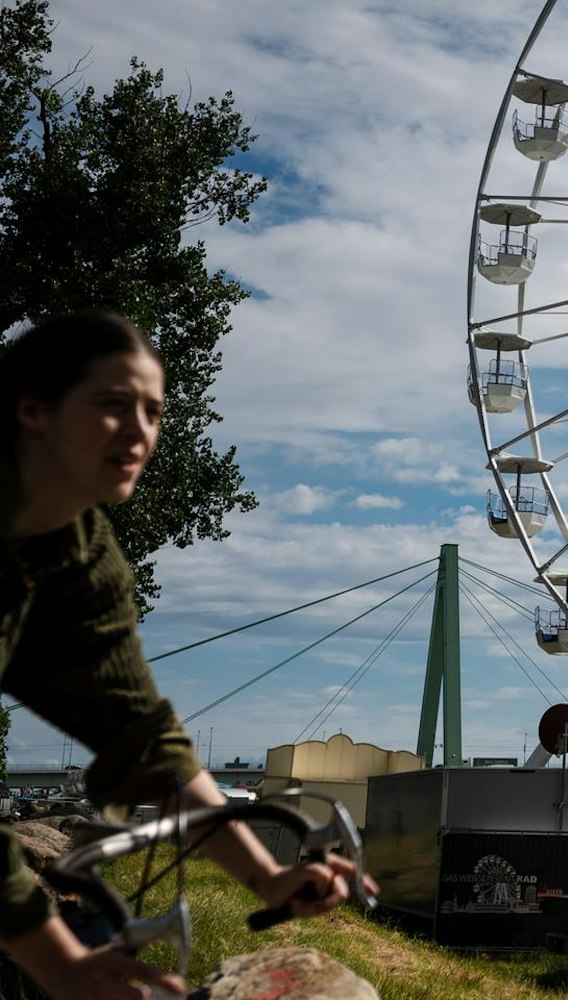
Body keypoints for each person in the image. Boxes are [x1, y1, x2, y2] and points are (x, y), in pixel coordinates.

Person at [0, 311, 370, 999]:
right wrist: (56, 962)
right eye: (114, 405)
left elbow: (143, 740)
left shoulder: (83, 560)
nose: (139, 431)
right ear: (33, 408)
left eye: (153, 411)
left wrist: (271, 878)